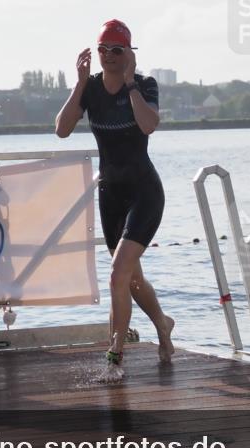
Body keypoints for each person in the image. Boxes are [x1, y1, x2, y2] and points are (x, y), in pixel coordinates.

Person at [55, 19, 174, 376]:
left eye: (117, 50)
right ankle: (163, 325)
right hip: (111, 196)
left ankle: (115, 354)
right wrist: (78, 84)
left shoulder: (145, 85)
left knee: (117, 274)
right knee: (130, 279)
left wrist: (132, 85)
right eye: (103, 49)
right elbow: (61, 129)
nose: (108, 56)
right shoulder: (89, 90)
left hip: (144, 193)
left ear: (129, 54)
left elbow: (149, 124)